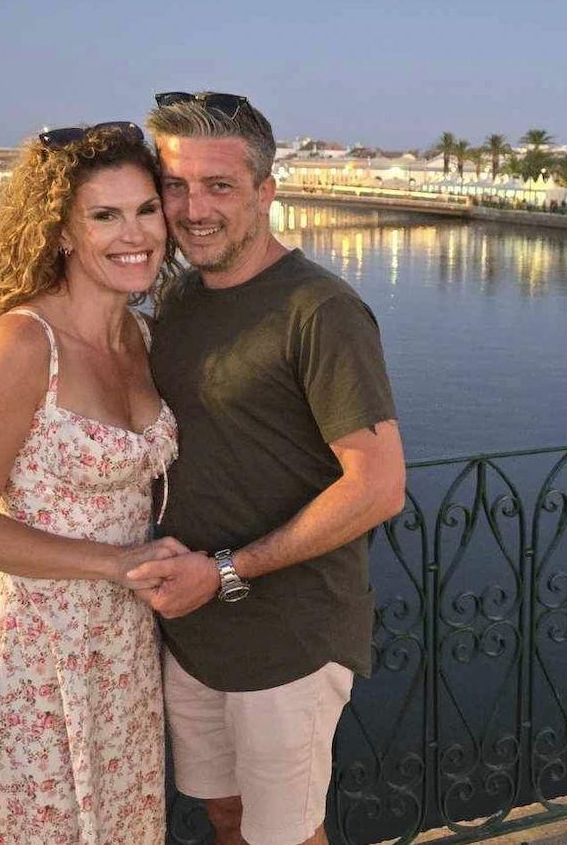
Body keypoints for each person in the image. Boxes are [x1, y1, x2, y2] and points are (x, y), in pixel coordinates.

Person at [129, 92, 407, 845]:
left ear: (264, 192)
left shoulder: (320, 310)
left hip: (288, 634)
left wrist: (224, 570)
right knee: (225, 814)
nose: (193, 209)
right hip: (193, 629)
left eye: (219, 186)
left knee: (285, 836)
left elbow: (378, 486)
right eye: (176, 187)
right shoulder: (181, 295)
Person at [0, 122, 184, 845]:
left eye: (145, 209)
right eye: (104, 215)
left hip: (124, 648)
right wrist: (114, 563)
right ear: (62, 231)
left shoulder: (143, 336)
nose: (134, 234)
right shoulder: (22, 341)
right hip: (35, 657)